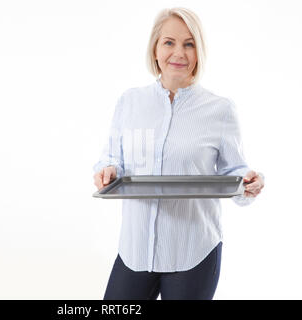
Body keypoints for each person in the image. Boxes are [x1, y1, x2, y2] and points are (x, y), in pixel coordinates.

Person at [92, 7, 265, 300]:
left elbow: (233, 172)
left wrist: (247, 182)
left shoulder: (220, 110)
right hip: (135, 250)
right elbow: (111, 159)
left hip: (193, 251)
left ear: (199, 52)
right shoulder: (130, 102)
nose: (179, 53)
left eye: (189, 44)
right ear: (155, 49)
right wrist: (107, 171)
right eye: (169, 42)